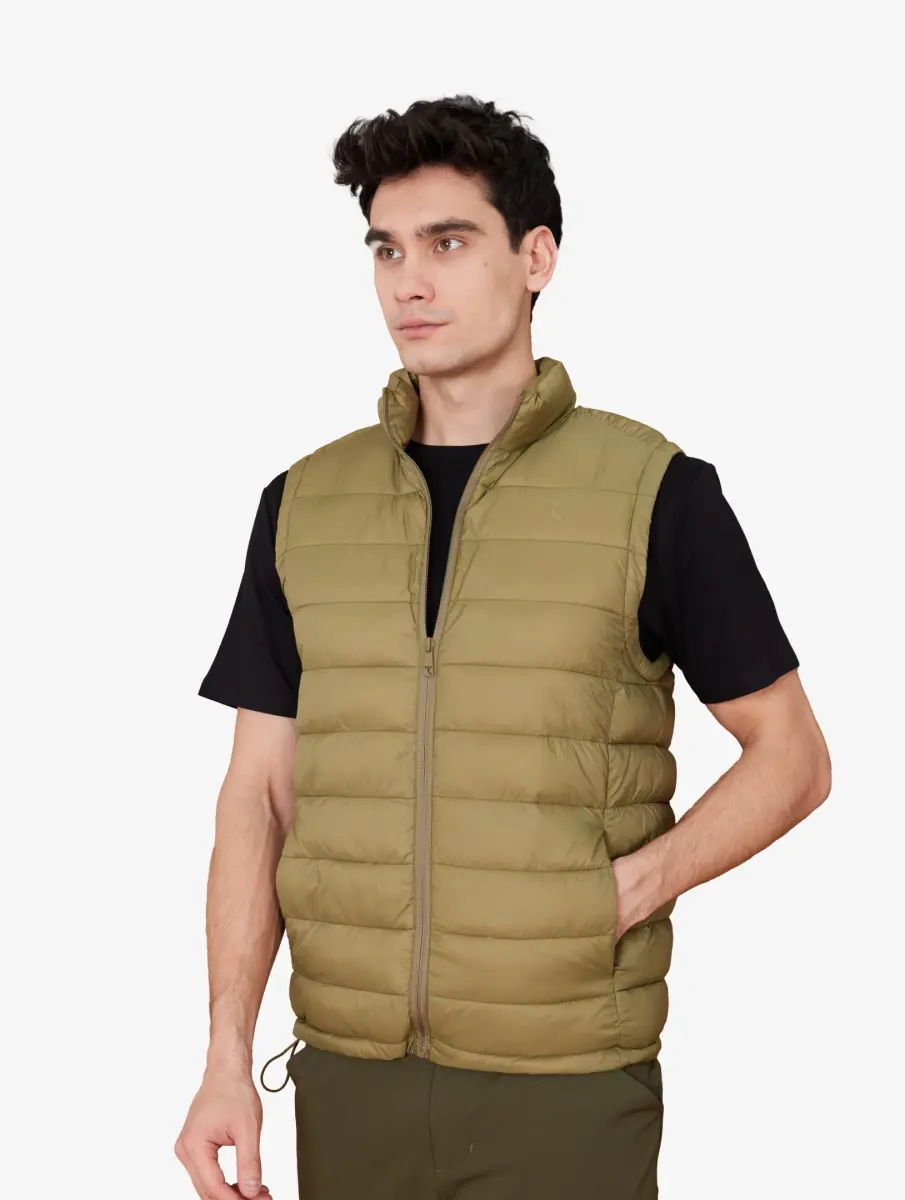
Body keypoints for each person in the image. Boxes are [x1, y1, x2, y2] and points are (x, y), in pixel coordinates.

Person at [175, 94, 831, 1200]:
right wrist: (225, 1057)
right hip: (348, 1080)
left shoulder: (654, 493)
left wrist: (625, 892)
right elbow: (259, 797)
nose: (408, 283)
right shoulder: (303, 505)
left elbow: (794, 757)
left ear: (537, 258)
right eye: (386, 249)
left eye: (448, 242)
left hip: (563, 1085)